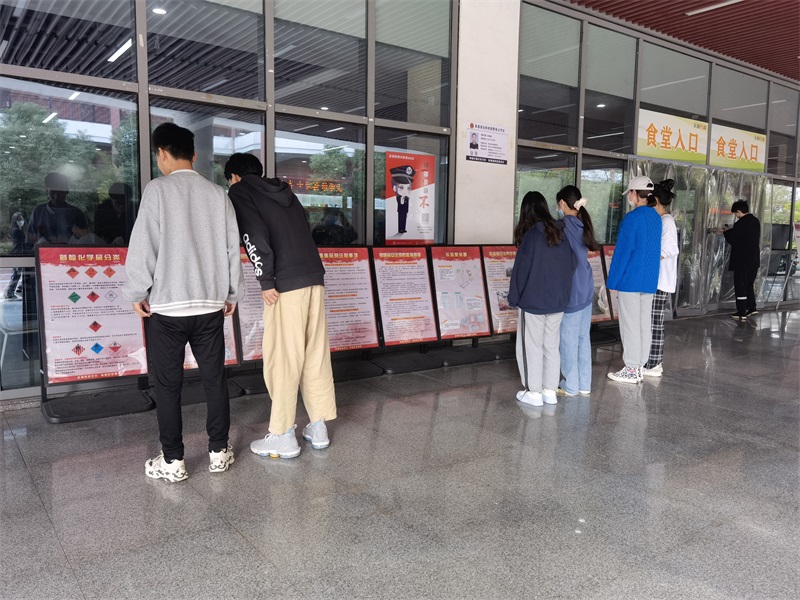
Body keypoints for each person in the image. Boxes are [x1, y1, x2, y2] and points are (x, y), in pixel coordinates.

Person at [122, 123, 245, 483]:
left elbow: (144, 246)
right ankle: (219, 452)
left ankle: (173, 460)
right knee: (214, 380)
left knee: (168, 385)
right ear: (193, 154)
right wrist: (232, 293)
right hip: (209, 306)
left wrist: (136, 292)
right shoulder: (218, 194)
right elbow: (232, 249)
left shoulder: (157, 190)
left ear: (161, 153)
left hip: (169, 309)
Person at [224, 152, 337, 459]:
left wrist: (266, 279)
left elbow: (253, 235)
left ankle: (283, 433)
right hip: (313, 276)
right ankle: (318, 426)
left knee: (283, 356)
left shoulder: (240, 191)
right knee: (314, 351)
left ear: (234, 176)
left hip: (285, 283)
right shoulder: (285, 191)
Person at [509, 191, 577, 407]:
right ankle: (549, 391)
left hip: (533, 302)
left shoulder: (531, 236)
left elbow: (521, 271)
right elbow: (573, 263)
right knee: (551, 346)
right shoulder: (560, 232)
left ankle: (533, 392)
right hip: (558, 301)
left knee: (532, 347)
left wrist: (514, 298)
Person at [606, 175, 662, 384]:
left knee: (630, 325)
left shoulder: (632, 218)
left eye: (629, 193)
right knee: (643, 324)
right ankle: (639, 366)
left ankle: (631, 369)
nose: (628, 197)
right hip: (649, 280)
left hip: (630, 280)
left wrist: (612, 282)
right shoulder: (656, 217)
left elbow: (623, 253)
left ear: (634, 193)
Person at [555, 185, 601, 397]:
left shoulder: (562, 226)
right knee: (583, 338)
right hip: (586, 286)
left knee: (567, 339)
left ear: (562, 203)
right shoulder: (583, 224)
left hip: (571, 288)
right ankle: (584, 384)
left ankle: (570, 385)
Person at [642, 179, 679, 377]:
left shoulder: (667, 221)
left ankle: (654, 363)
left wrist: (645, 258)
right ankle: (649, 361)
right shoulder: (660, 220)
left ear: (655, 199)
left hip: (659, 280)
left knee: (654, 321)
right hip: (654, 278)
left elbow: (670, 249)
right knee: (651, 321)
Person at [722, 200, 761, 320]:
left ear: (739, 211)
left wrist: (726, 231)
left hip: (742, 261)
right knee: (749, 284)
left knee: (740, 286)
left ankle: (741, 312)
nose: (735, 216)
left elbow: (733, 239)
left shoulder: (740, 223)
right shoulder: (755, 221)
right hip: (754, 260)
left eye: (735, 213)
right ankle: (752, 307)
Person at [27, 172, 87, 245]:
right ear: (47, 190)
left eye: (60, 192)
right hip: (45, 252)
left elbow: (86, 240)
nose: (56, 196)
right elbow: (30, 240)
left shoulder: (77, 213)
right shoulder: (38, 212)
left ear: (67, 191)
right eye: (53, 192)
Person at [5, 212, 29, 299]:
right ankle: (10, 292)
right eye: (19, 219)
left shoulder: (17, 229)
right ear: (15, 221)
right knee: (17, 274)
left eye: (22, 219)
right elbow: (25, 241)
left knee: (18, 274)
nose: (21, 221)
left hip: (18, 252)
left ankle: (15, 290)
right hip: (18, 253)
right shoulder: (17, 231)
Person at [390, 165, 415, 234]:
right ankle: (400, 229)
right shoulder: (398, 197)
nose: (405, 191)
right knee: (400, 219)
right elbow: (400, 203)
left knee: (404, 219)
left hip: (405, 211)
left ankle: (403, 229)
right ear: (394, 188)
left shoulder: (407, 198)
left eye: (408, 188)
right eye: (401, 187)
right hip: (400, 211)